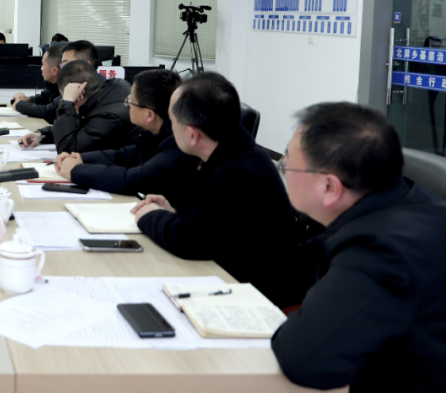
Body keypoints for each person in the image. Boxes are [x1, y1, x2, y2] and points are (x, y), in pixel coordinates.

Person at [272, 102, 446, 393]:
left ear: (329, 188)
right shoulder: (410, 202)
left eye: (287, 164)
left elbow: (303, 358)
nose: (283, 171)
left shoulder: (380, 253)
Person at [131, 72, 302, 308]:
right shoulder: (235, 150)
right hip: (233, 275)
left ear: (192, 135)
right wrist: (175, 212)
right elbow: (214, 220)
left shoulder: (237, 172)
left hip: (253, 298)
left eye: (172, 121)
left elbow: (190, 240)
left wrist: (148, 216)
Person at [53, 68, 199, 210]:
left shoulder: (178, 143)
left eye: (131, 100)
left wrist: (76, 170)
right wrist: (80, 158)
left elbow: (132, 179)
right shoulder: (157, 133)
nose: (127, 104)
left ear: (149, 115)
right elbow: (126, 155)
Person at [19, 60, 134, 155]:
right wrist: (42, 135)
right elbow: (79, 126)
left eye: (64, 95)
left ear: (79, 94)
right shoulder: (111, 88)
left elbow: (67, 150)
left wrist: (68, 103)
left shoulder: (108, 117)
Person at [11, 43, 64, 123]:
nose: (41, 68)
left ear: (54, 70)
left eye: (43, 65)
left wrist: (19, 104)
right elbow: (41, 99)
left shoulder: (66, 88)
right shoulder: (53, 86)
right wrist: (22, 100)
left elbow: (46, 111)